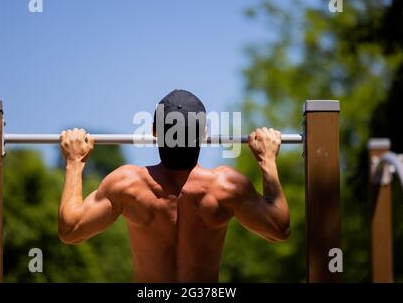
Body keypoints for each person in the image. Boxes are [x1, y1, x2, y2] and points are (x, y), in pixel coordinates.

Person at [58, 89, 290, 282]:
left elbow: (71, 231)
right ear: (204, 134)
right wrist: (267, 160)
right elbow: (278, 230)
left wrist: (75, 162)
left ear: (153, 132)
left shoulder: (127, 185)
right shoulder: (226, 187)